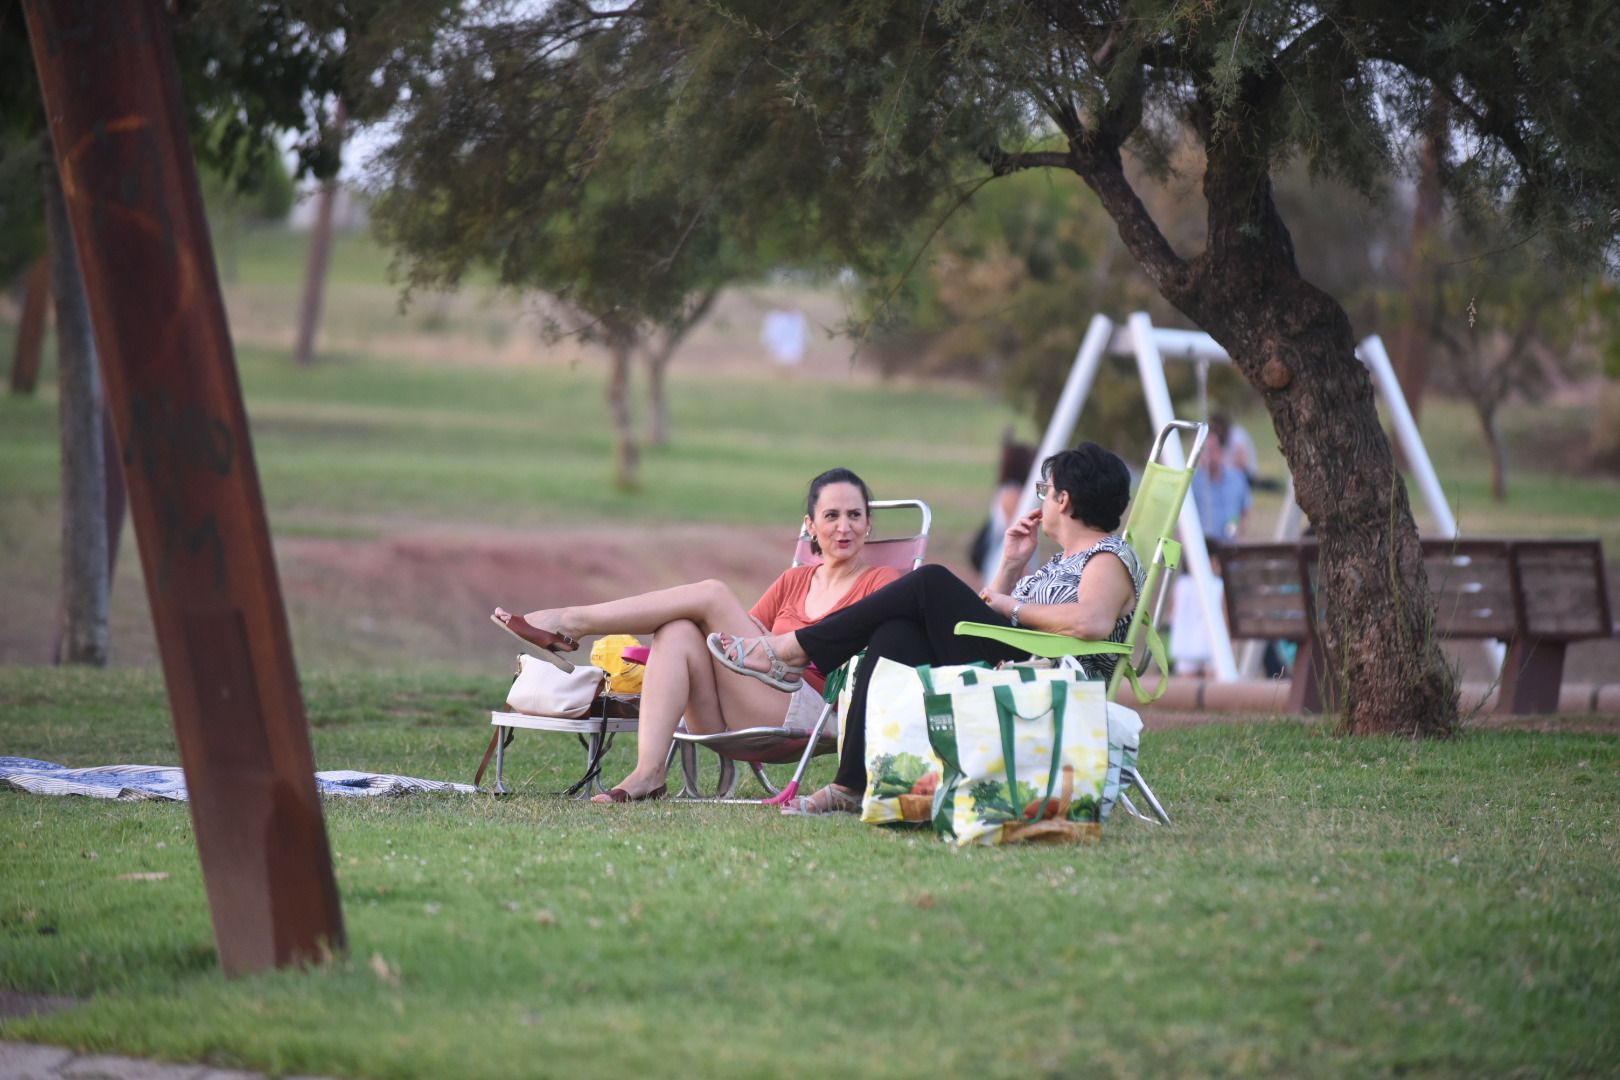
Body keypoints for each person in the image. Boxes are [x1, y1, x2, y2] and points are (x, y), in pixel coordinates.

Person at [708, 443, 1144, 816]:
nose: (1042, 500)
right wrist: (1011, 565)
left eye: (1044, 492)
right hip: (1020, 655)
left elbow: (1092, 622)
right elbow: (991, 613)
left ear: (1063, 500)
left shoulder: (1107, 556)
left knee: (929, 581)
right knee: (895, 634)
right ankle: (849, 785)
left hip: (1050, 673)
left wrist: (1013, 605)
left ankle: (796, 650)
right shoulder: (1062, 560)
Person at [490, 468, 901, 804]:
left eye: (854, 515)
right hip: (744, 707)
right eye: (832, 516)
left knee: (712, 594)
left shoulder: (882, 581)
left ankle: (570, 621)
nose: (844, 527)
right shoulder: (794, 581)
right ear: (811, 525)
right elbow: (738, 645)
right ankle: (648, 773)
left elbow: (873, 662)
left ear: (869, 524)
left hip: (812, 708)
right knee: (678, 629)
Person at [970, 438, 1036, 586]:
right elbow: (1019, 533)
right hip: (1007, 559)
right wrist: (1026, 572)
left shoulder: (1009, 490)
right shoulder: (1012, 493)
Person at [1191, 424, 1251, 549]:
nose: (1208, 456)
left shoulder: (1237, 479)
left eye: (1212, 450)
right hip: (1203, 550)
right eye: (1204, 451)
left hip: (1231, 549)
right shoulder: (1193, 483)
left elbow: (1244, 510)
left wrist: (1237, 528)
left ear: (1221, 451)